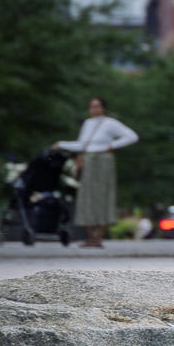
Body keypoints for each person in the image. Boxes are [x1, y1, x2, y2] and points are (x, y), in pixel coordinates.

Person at [54, 97, 139, 248]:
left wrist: (112, 145)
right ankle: (90, 236)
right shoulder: (88, 123)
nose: (94, 109)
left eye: (97, 106)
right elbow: (82, 144)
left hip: (102, 161)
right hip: (89, 160)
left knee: (102, 196)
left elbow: (132, 136)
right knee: (86, 197)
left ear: (103, 108)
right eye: (92, 106)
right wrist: (62, 144)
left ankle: (98, 237)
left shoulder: (110, 123)